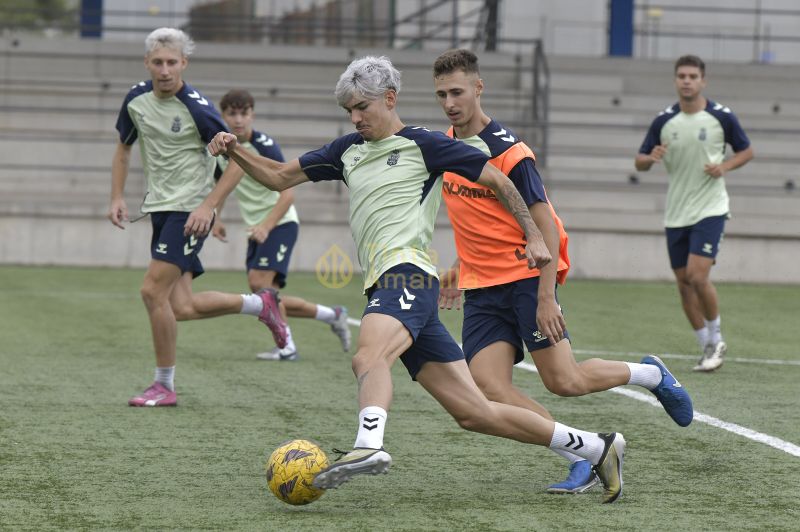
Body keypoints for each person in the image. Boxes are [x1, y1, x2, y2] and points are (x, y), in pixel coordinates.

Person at [208, 55, 627, 503]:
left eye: (363, 107)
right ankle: (596, 447)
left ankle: (368, 446)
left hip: (407, 274)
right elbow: (275, 176)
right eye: (349, 110)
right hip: (388, 283)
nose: (355, 117)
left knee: (368, 355)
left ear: (390, 99)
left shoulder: (425, 144)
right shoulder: (345, 150)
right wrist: (233, 149)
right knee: (476, 412)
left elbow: (500, 182)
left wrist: (532, 235)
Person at [433, 49, 694, 495]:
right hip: (482, 288)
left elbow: (546, 227)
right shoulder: (447, 146)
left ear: (478, 88)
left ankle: (650, 374)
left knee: (564, 381)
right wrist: (459, 266)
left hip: (525, 279)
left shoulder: (511, 154)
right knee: (489, 389)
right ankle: (583, 454)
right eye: (441, 94)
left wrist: (546, 295)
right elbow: (478, 219)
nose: (450, 102)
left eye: (457, 91)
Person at [108, 28, 288, 407]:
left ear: (184, 64)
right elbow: (123, 150)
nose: (165, 69)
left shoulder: (198, 107)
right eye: (158, 62)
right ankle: (261, 305)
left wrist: (209, 206)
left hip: (188, 212)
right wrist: (117, 197)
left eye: (172, 62)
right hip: (160, 209)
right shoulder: (135, 100)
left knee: (151, 291)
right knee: (181, 306)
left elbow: (237, 162)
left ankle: (164, 385)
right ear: (147, 63)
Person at [212, 89, 351, 361]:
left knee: (259, 284)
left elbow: (288, 194)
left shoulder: (264, 144)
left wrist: (266, 225)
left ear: (252, 114)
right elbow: (221, 185)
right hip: (258, 228)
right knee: (267, 297)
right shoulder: (221, 148)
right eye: (232, 113)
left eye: (244, 113)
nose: (238, 119)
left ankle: (287, 347)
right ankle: (332, 315)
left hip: (280, 222)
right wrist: (216, 217)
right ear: (223, 115)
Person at [635, 55, 753, 372]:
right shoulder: (664, 121)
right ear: (675, 81)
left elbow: (747, 150)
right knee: (683, 284)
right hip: (676, 213)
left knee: (697, 276)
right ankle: (706, 347)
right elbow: (639, 162)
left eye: (692, 76)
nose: (687, 81)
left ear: (703, 81)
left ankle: (716, 339)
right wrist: (651, 157)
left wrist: (724, 167)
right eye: (681, 76)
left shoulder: (721, 117)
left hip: (711, 208)